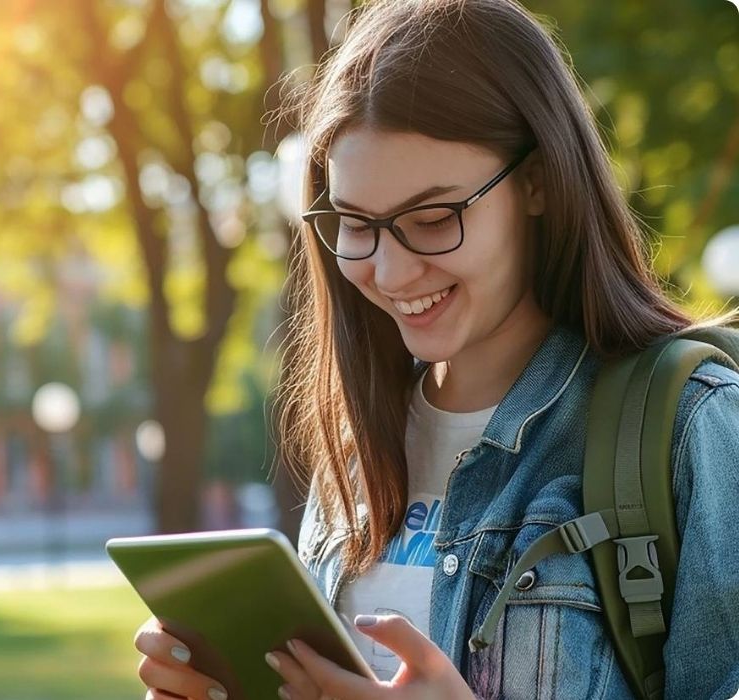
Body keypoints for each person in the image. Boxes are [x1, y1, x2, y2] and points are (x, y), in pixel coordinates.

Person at [132, 0, 739, 698]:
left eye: (431, 218)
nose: (390, 274)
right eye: (357, 225)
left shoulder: (690, 426)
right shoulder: (359, 446)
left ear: (538, 182)